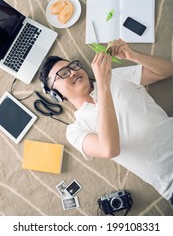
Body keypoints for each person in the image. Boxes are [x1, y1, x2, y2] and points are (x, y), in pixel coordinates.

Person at [39, 39, 173, 204]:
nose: (73, 72)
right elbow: (109, 149)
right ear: (56, 95)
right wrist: (103, 84)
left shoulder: (116, 76)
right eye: (63, 74)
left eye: (73, 66)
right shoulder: (75, 130)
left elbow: (167, 70)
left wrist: (134, 55)